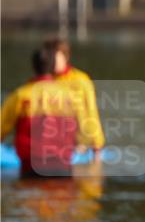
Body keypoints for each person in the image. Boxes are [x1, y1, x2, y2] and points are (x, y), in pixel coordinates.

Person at [1, 44, 94, 177]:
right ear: (53, 67)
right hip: (62, 164)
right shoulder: (71, 97)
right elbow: (86, 127)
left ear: (33, 67)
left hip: (30, 165)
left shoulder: (20, 96)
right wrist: (83, 145)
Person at [49, 37, 106, 155]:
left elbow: (91, 113)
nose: (52, 62)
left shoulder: (81, 80)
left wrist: (97, 144)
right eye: (50, 58)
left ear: (66, 57)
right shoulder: (44, 81)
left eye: (55, 58)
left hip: (78, 143)